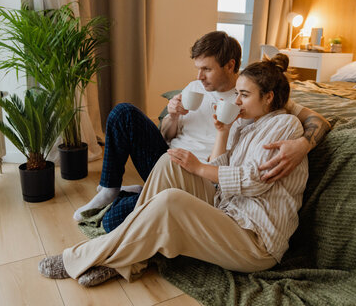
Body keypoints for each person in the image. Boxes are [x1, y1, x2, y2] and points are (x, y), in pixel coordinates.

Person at [39, 56, 309, 287]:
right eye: (236, 94)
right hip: (226, 212)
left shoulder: (285, 125)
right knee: (170, 162)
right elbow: (220, 176)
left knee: (170, 201)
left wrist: (199, 166)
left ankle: (77, 257)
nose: (236, 101)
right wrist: (222, 133)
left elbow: (255, 181)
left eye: (244, 95)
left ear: (269, 97)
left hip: (254, 242)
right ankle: (130, 259)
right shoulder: (243, 124)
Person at [72, 31, 330, 231]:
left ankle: (142, 194)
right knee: (123, 112)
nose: (200, 75)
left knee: (113, 221)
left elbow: (319, 120)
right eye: (198, 68)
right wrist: (172, 115)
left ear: (230, 65)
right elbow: (166, 137)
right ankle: (110, 189)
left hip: (201, 177)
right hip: (167, 161)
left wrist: (304, 145)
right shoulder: (195, 87)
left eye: (207, 69)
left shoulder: (253, 97)